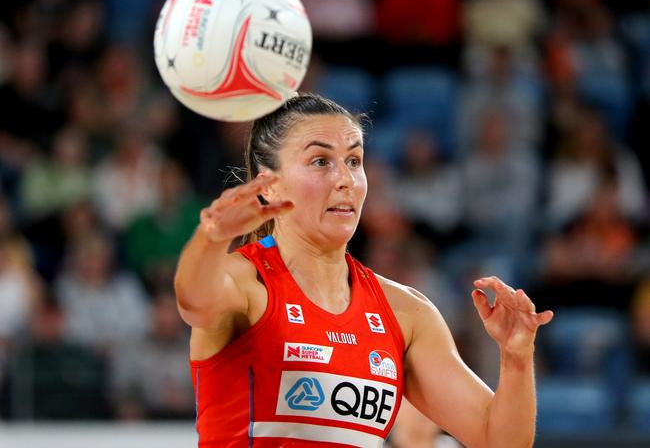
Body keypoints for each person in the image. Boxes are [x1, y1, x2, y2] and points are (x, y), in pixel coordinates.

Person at [174, 94, 554, 447]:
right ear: (268, 185)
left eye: (354, 161)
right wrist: (212, 236)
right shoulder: (247, 284)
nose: (345, 179)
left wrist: (516, 356)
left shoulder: (406, 313)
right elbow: (193, 301)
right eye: (321, 161)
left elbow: (498, 439)